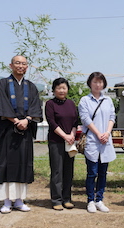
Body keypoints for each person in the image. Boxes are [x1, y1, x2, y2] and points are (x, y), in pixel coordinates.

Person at [0, 55, 42, 214]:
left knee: (23, 164)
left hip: (25, 131)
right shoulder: (3, 84)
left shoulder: (31, 86)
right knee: (7, 164)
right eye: (17, 63)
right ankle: (7, 201)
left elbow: (36, 107)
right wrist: (15, 120)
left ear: (27, 67)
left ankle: (20, 200)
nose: (21, 66)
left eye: (24, 64)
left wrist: (27, 120)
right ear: (11, 65)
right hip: (8, 131)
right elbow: (0, 105)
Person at [78, 72, 116, 213]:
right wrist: (99, 133)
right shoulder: (84, 100)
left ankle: (99, 199)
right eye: (95, 82)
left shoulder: (108, 100)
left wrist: (107, 132)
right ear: (90, 83)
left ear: (104, 84)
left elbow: (112, 116)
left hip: (105, 140)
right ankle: (90, 200)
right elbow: (85, 119)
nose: (98, 84)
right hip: (93, 140)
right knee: (92, 172)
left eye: (100, 82)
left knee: (103, 172)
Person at [45, 78, 78, 211]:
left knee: (68, 171)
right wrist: (64, 136)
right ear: (54, 90)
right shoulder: (50, 104)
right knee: (57, 171)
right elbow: (52, 123)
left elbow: (76, 121)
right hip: (56, 141)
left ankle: (67, 199)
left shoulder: (71, 103)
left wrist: (72, 135)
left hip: (70, 142)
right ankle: (56, 199)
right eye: (59, 88)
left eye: (64, 88)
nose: (61, 90)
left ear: (67, 89)